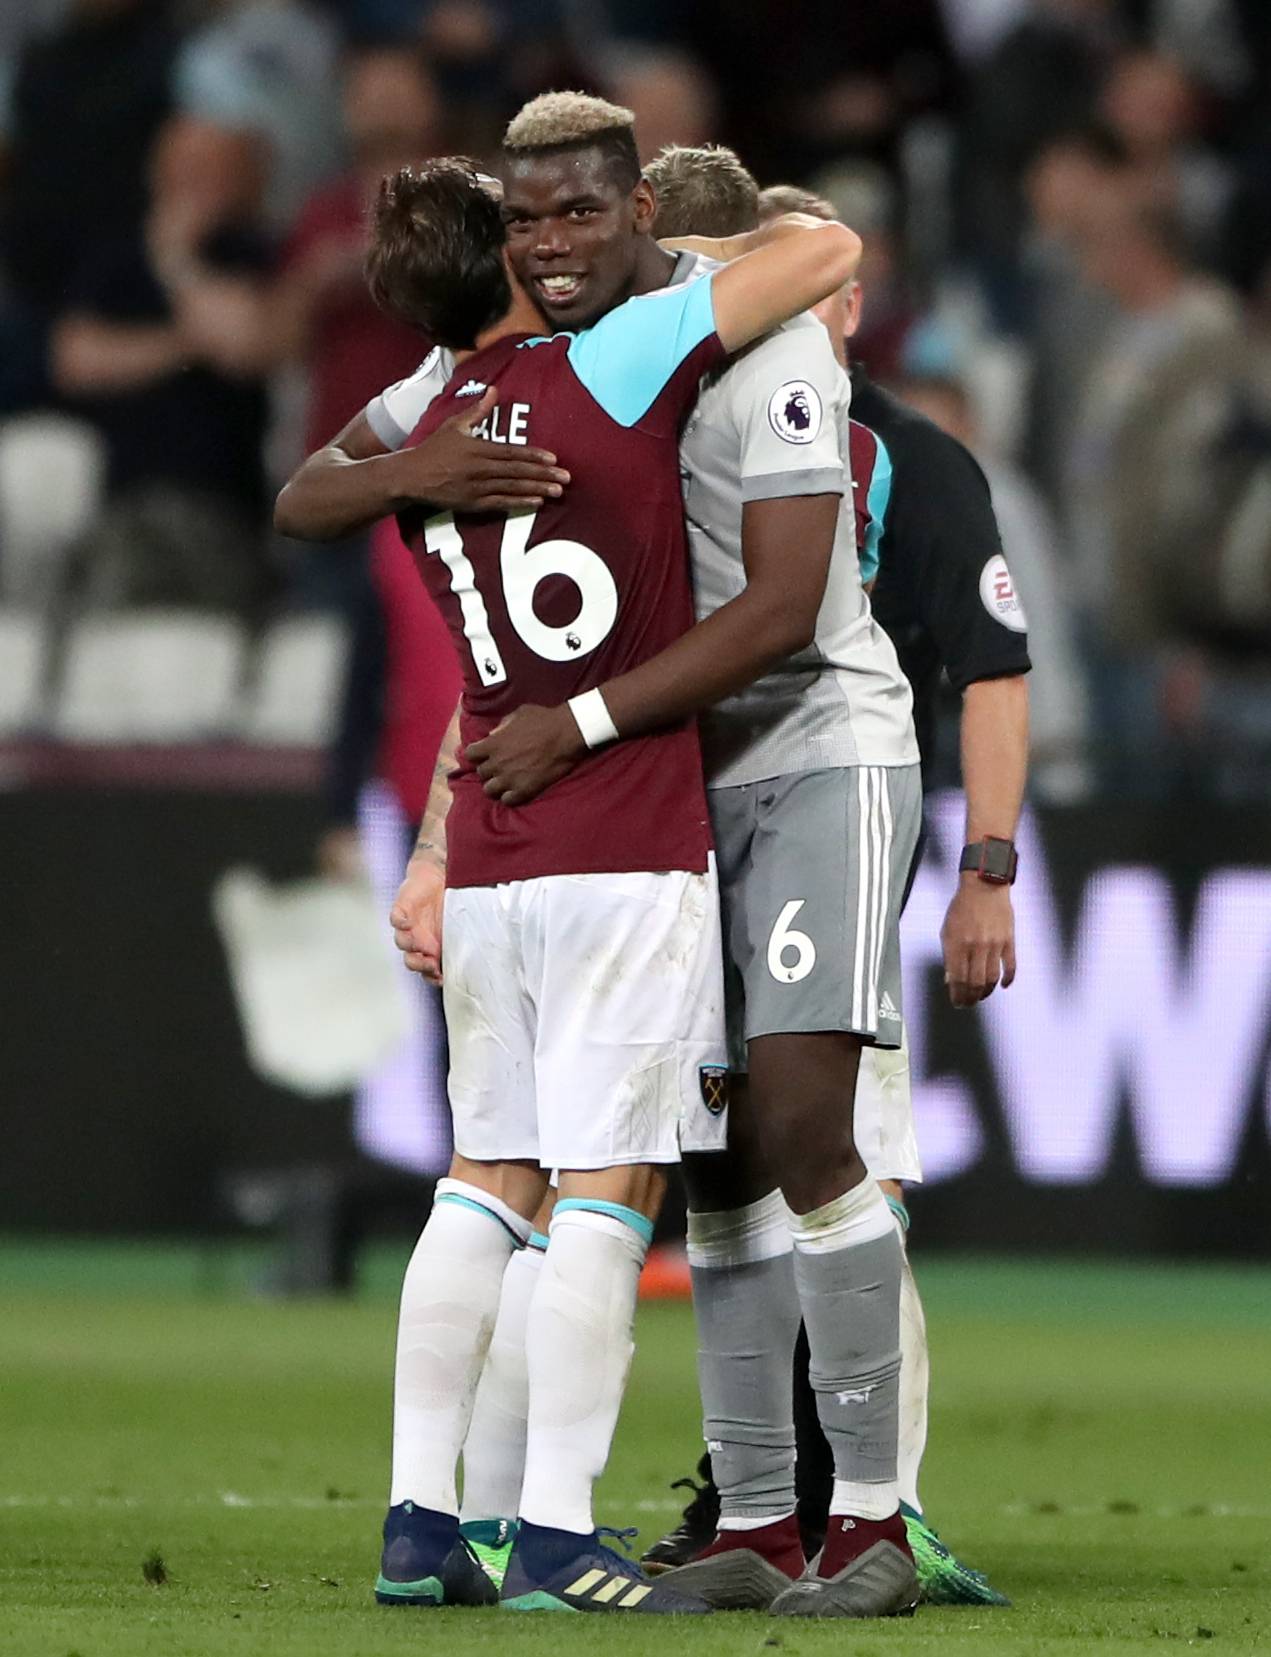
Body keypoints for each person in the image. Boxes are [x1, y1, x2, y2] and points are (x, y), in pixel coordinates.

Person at [277, 135, 863, 1615]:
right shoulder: (612, 362)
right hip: (618, 828)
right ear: (510, 261)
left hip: (488, 855)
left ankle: (419, 1521)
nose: (555, 245)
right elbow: (825, 251)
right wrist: (658, 256)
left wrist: (410, 464)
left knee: (483, 1183)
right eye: (528, 229)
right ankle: (551, 1526)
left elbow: (302, 496)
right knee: (608, 1194)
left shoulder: (427, 414)